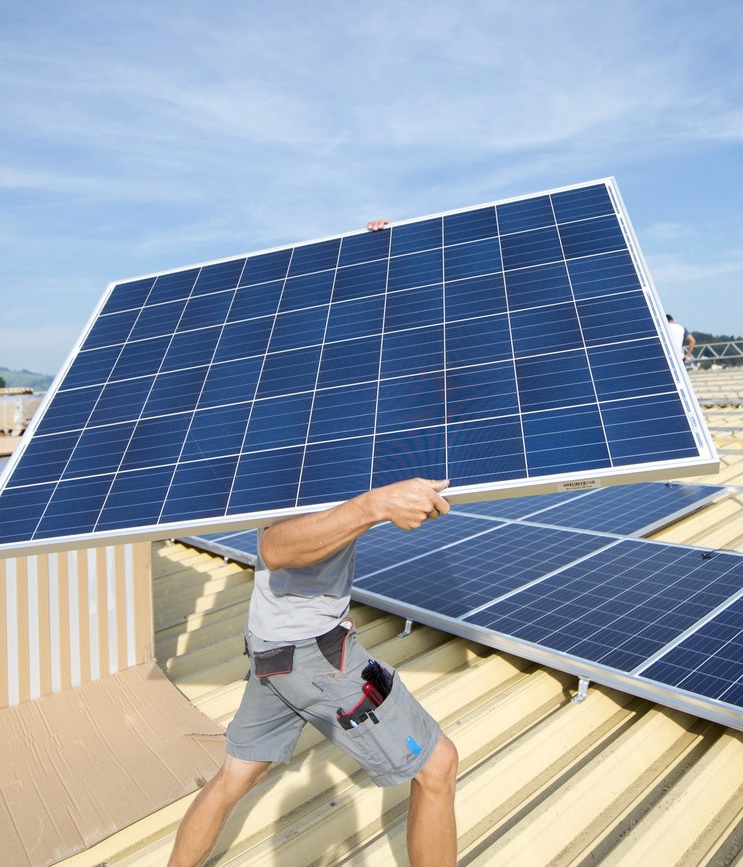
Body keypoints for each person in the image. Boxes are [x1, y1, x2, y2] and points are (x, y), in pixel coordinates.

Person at [169, 220, 459, 867]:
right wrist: (377, 504)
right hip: (308, 654)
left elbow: (364, 324)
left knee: (235, 776)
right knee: (437, 766)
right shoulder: (291, 429)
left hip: (276, 648)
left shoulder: (327, 411)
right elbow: (274, 545)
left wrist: (373, 255)